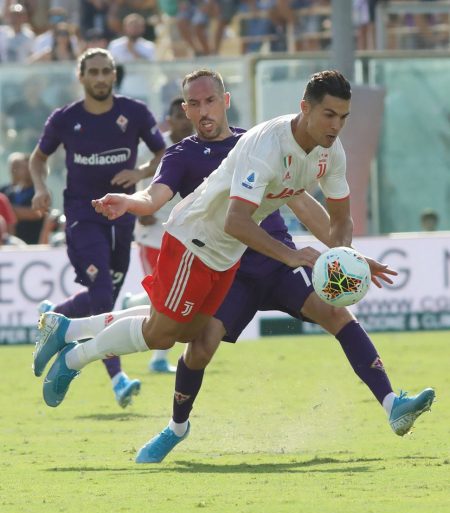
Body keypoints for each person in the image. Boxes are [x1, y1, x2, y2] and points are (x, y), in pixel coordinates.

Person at [34, 70, 435, 464]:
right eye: (329, 115)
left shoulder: (321, 149)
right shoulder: (241, 148)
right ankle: (144, 404)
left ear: (225, 102)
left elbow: (318, 211)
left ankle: (392, 403)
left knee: (331, 314)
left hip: (257, 256)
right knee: (175, 338)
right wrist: (131, 202)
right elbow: (202, 211)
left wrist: (345, 258)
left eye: (343, 117)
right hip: (203, 247)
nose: (336, 125)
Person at [29, 47, 166, 408]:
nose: (101, 77)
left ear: (114, 75)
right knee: (103, 291)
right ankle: (118, 379)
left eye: (107, 71)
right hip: (82, 215)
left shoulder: (134, 112)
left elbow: (163, 153)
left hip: (122, 215)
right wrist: (41, 188)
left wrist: (139, 172)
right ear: (81, 76)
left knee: (105, 299)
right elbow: (38, 159)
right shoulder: (65, 118)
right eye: (94, 72)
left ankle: (55, 315)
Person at [125, 96, 194, 373]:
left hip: (186, 233)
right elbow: (136, 179)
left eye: (186, 114)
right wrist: (139, 208)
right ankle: (158, 359)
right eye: (178, 115)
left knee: (177, 294)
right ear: (169, 120)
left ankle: (133, 302)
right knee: (166, 297)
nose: (184, 120)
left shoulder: (201, 146)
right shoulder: (153, 150)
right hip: (153, 232)